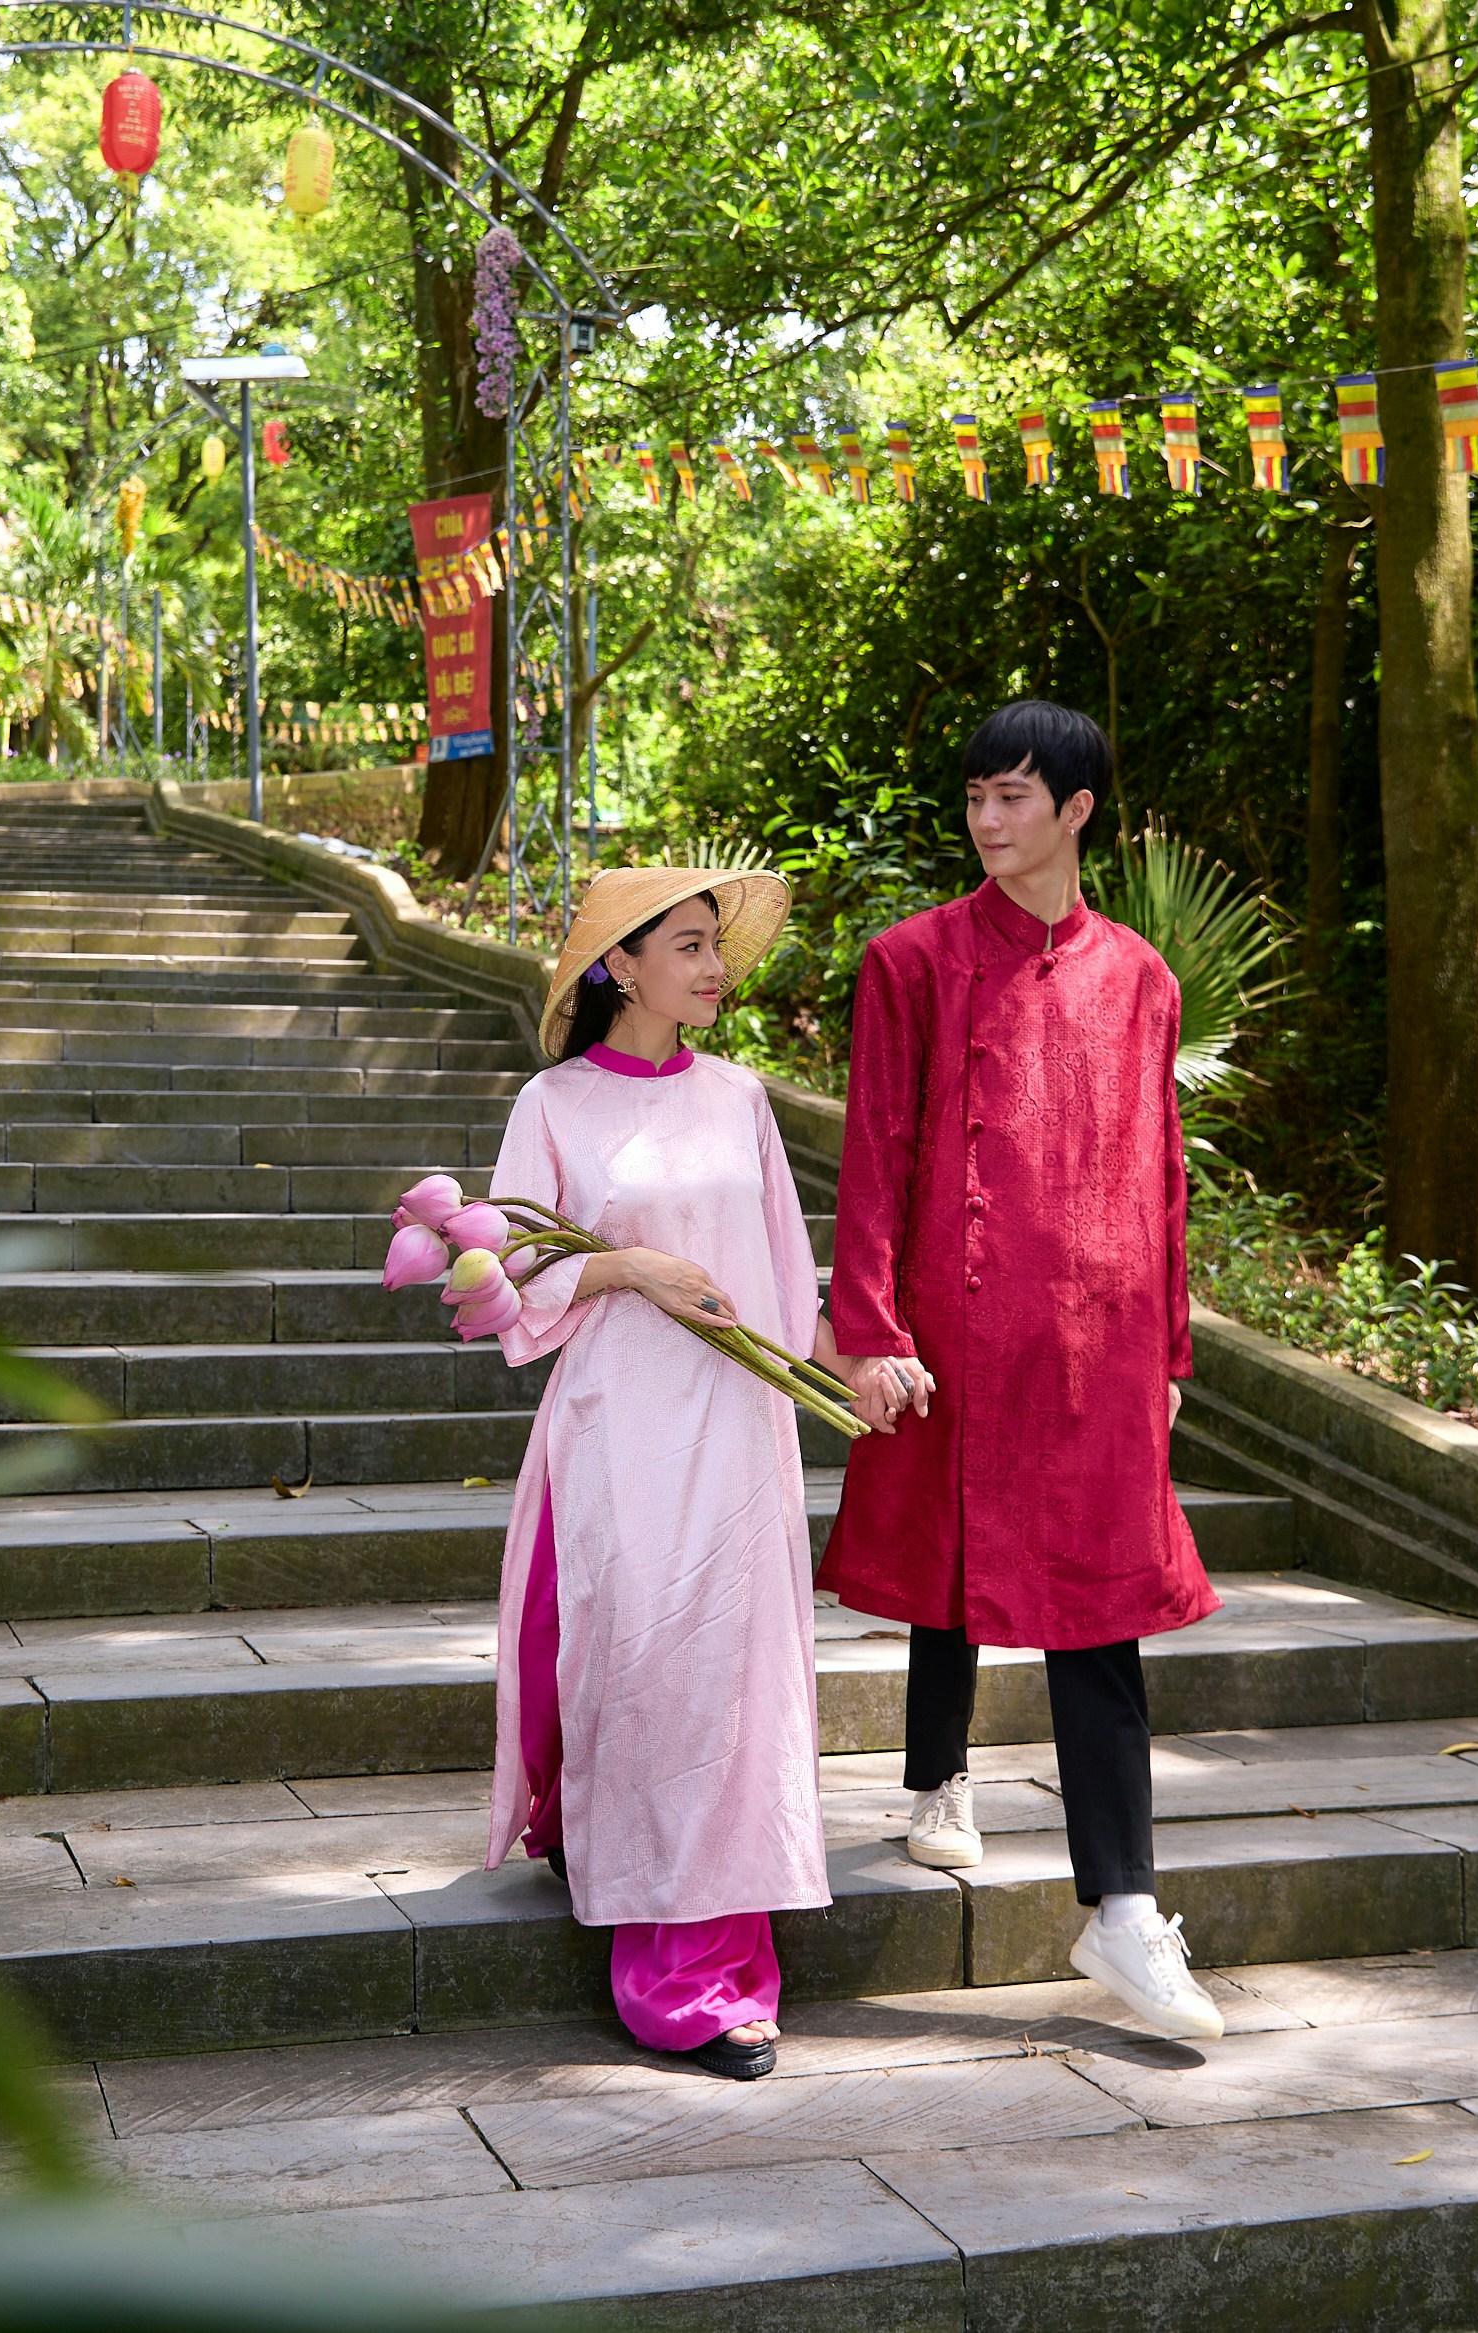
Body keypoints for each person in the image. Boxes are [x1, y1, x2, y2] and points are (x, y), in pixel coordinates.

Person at [818, 699, 1231, 2040]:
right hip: (953, 1325)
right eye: (976, 798)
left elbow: (1162, 1176)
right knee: (956, 1547)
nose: (989, 821)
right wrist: (871, 1324)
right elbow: (877, 1145)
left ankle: (1121, 1912)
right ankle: (937, 1773)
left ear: (1077, 810)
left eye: (1013, 798)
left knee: (1091, 1600)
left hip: (1099, 1346)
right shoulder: (913, 962)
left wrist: (1166, 1347)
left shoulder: (1143, 978)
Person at [475, 864, 869, 2081]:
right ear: (619, 966)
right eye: (687, 945)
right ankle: (662, 1954)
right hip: (619, 1422)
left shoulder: (739, 1095)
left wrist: (860, 1364)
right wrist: (629, 1269)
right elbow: (500, 1278)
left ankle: (712, 1962)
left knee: (728, 1684)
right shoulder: (552, 1103)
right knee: (646, 1670)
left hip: (738, 1423)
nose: (712, 966)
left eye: (715, 946)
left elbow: (785, 1263)